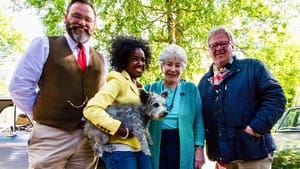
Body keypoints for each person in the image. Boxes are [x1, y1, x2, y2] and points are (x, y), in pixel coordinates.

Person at [9, 0, 106, 168]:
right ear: (65, 18)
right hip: (50, 138)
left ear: (94, 25)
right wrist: (45, 114)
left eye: (87, 19)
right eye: (76, 16)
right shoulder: (44, 45)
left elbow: (103, 96)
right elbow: (19, 87)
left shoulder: (101, 58)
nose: (82, 22)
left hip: (88, 140)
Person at [198, 26, 286, 169]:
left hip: (253, 155)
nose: (219, 48)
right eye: (214, 45)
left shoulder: (253, 68)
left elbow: (276, 98)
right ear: (209, 50)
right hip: (223, 160)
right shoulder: (204, 82)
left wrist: (254, 128)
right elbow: (199, 118)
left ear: (232, 46)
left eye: (223, 43)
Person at [83, 35, 152, 169]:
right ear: (123, 60)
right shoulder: (117, 81)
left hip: (139, 149)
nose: (140, 63)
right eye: (135, 59)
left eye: (143, 60)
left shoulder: (138, 86)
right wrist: (119, 129)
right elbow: (91, 109)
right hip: (121, 150)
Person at [144, 44, 205, 169]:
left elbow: (198, 121)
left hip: (182, 144)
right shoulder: (150, 89)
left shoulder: (191, 89)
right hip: (156, 144)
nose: (173, 69)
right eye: (169, 64)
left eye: (177, 65)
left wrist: (199, 148)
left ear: (183, 69)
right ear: (162, 66)